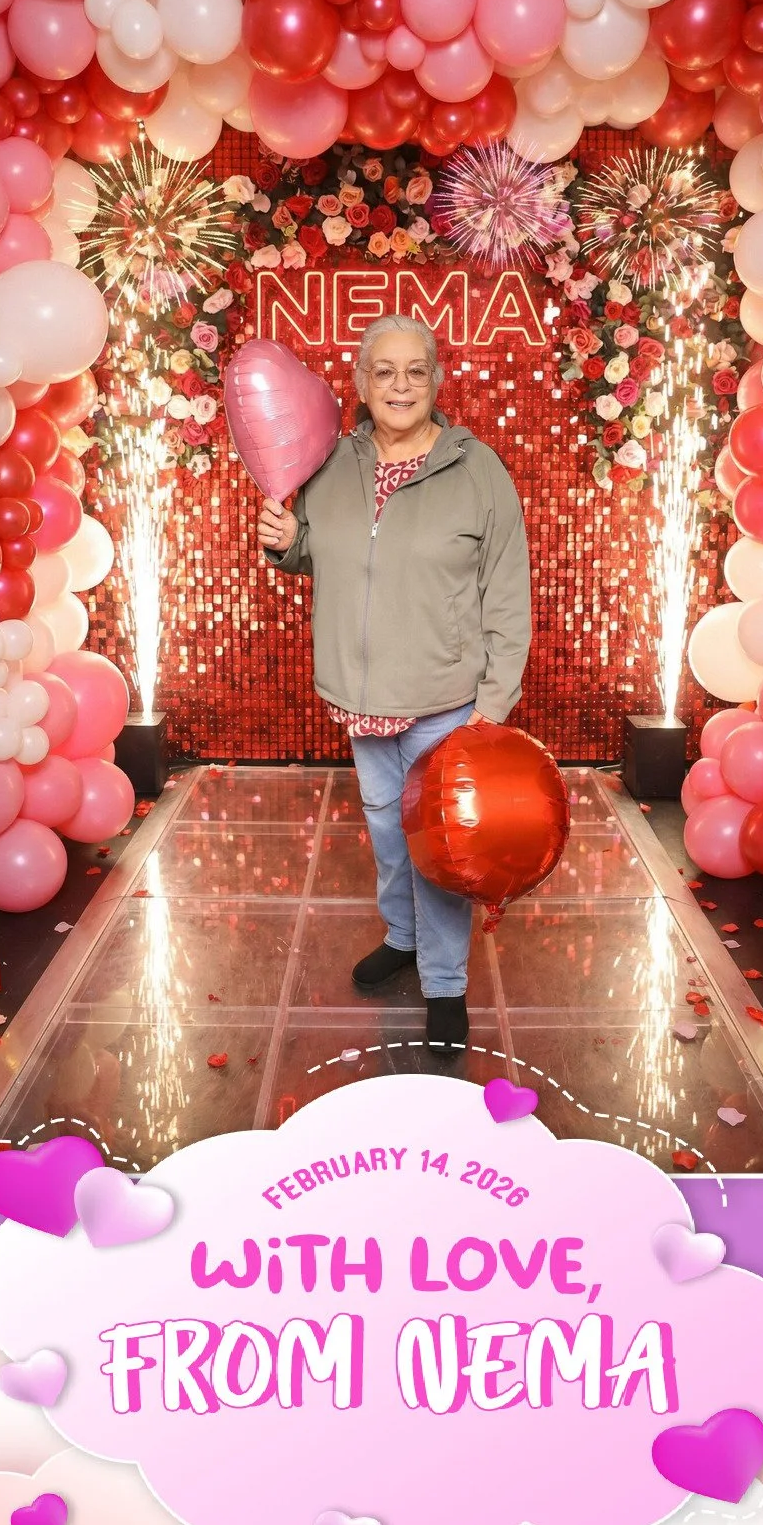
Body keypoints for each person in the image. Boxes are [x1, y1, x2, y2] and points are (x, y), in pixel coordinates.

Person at [258, 314, 531, 1053]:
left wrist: (492, 710)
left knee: (439, 851)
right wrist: (290, 548)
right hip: (363, 700)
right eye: (384, 371)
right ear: (360, 381)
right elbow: (335, 557)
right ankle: (403, 941)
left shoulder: (479, 472)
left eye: (416, 370)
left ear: (437, 380)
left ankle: (445, 987)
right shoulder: (333, 463)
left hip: (446, 703)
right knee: (386, 836)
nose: (400, 385)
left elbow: (507, 594)